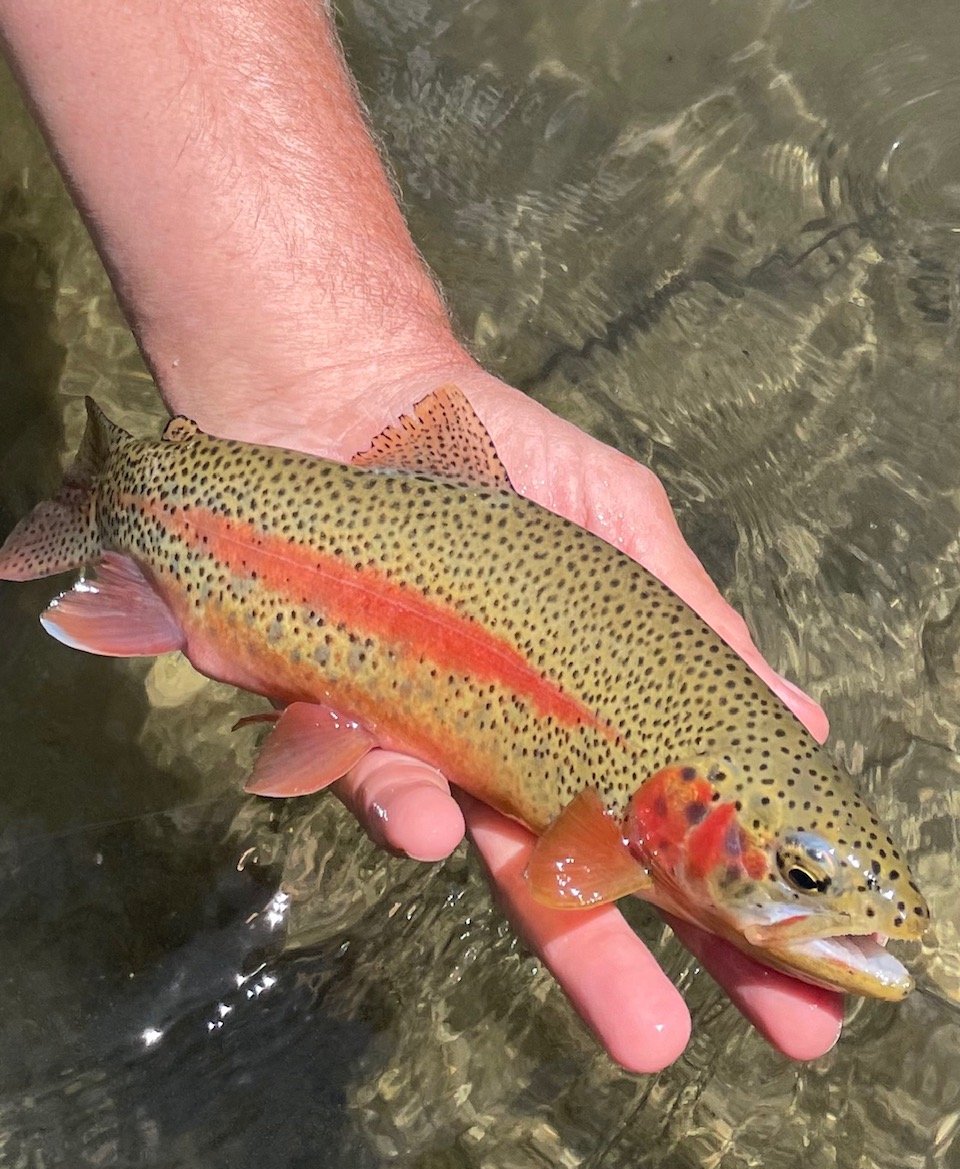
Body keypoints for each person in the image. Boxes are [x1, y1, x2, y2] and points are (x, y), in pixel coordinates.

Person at [0, 0, 844, 1071]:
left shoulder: (671, 809)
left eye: (807, 877)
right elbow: (568, 872)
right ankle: (110, 495)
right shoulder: (635, 837)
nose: (816, 899)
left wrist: (347, 347)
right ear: (690, 816)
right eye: (805, 873)